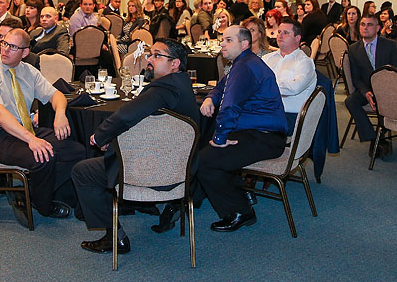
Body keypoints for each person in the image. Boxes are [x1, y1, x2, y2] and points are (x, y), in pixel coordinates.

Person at [72, 39, 201, 254]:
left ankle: (115, 237)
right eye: (150, 54)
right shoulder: (183, 83)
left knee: (83, 172)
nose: (149, 59)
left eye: (157, 56)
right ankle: (166, 206)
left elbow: (125, 116)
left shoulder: (162, 89)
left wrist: (100, 137)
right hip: (181, 171)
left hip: (151, 171)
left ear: (175, 63)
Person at [0, 28, 80, 221]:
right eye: (4, 43)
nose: (5, 50)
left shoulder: (28, 71)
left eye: (13, 47)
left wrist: (60, 113)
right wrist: (31, 140)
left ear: (25, 52)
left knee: (76, 151)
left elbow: (56, 95)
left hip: (23, 128)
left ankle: (35, 193)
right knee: (43, 157)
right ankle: (43, 205)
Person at [197, 26, 287, 232]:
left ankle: (240, 211)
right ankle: (239, 192)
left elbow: (230, 106)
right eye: (222, 39)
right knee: (206, 145)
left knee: (205, 162)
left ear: (244, 44)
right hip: (259, 132)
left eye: (228, 40)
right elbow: (223, 86)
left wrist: (221, 138)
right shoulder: (244, 63)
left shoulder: (244, 67)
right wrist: (211, 97)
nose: (222, 44)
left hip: (265, 138)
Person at [344, 13, 397, 157]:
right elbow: (356, 77)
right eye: (362, 24)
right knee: (350, 101)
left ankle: (378, 138)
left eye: (369, 25)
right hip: (366, 89)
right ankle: (374, 137)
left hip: (388, 88)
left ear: (377, 28)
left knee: (385, 101)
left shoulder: (390, 45)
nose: (365, 28)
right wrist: (366, 92)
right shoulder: (353, 49)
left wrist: (381, 91)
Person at [262, 18, 315, 133]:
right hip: (265, 109)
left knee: (245, 125)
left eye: (286, 33)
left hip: (289, 115)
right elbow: (254, 83)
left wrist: (266, 87)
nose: (280, 35)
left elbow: (294, 88)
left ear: (297, 38)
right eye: (279, 32)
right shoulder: (267, 59)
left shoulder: (305, 62)